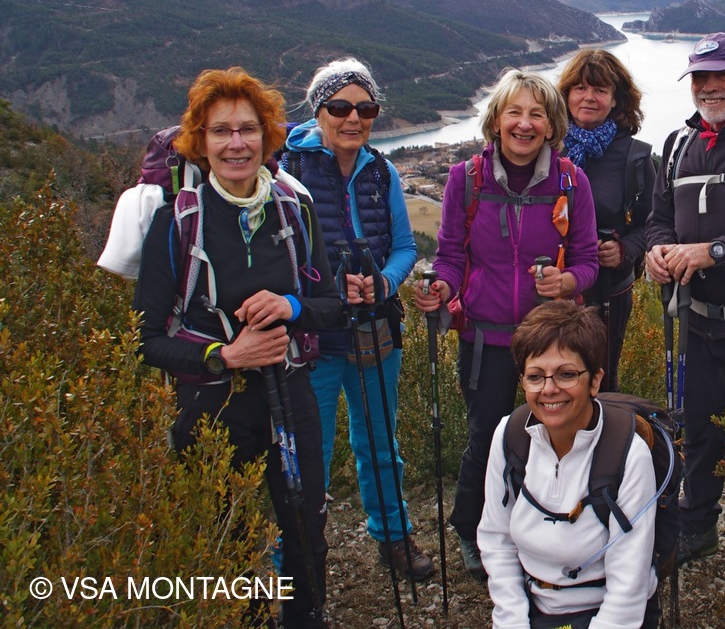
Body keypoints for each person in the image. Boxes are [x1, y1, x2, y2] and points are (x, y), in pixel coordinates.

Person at [133, 67, 343, 628]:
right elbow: (144, 339)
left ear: (267, 136)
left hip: (290, 393)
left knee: (306, 524)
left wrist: (291, 306)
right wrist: (223, 357)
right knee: (228, 530)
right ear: (199, 142)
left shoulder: (294, 209)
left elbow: (330, 304)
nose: (236, 144)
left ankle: (305, 617)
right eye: (220, 131)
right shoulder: (175, 223)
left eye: (248, 129)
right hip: (212, 405)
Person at [413, 68, 599, 580]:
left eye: (537, 114)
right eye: (514, 112)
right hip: (487, 337)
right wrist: (441, 288)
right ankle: (472, 528)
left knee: (557, 436)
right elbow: (450, 256)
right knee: (489, 438)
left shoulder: (571, 181)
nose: (524, 123)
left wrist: (566, 282)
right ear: (495, 120)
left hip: (552, 340)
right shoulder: (466, 180)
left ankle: (546, 527)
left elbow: (587, 261)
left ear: (551, 124)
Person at [279, 57, 434, 581]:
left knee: (380, 444)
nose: (353, 118)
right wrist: (326, 289)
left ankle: (392, 534)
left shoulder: (381, 172)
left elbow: (405, 246)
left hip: (374, 330)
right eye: (340, 107)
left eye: (365, 109)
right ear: (318, 110)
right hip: (312, 339)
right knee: (310, 453)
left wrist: (383, 283)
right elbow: (277, 259)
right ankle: (298, 558)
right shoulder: (287, 171)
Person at [644, 32, 725, 566]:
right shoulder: (679, 145)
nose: (710, 86)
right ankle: (696, 529)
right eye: (700, 76)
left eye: (723, 74)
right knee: (698, 434)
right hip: (697, 322)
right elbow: (659, 219)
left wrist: (714, 251)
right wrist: (656, 251)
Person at [478, 301, 659, 629]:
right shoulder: (510, 435)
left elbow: (628, 585)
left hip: (605, 614)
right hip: (532, 608)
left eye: (566, 374)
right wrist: (512, 621)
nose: (549, 389)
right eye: (535, 376)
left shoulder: (627, 454)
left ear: (595, 380)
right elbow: (496, 539)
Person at [557, 50, 655, 392]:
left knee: (598, 379)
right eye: (580, 88)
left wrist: (625, 249)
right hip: (548, 289)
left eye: (600, 90)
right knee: (547, 375)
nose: (588, 97)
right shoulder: (545, 146)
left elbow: (654, 222)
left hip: (608, 292)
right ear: (566, 95)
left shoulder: (634, 157)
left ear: (615, 99)